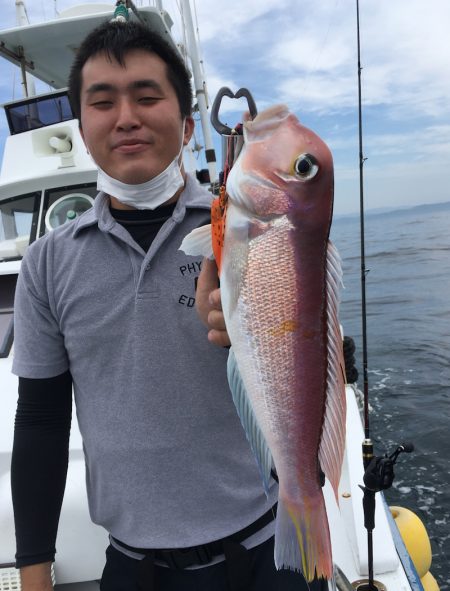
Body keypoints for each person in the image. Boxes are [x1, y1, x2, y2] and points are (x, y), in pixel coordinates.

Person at [11, 20, 327, 591]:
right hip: (135, 568)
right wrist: (34, 566)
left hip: (266, 548)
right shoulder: (47, 262)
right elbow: (40, 420)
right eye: (102, 102)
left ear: (186, 126)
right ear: (83, 130)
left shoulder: (247, 231)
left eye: (147, 96)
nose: (126, 117)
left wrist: (246, 322)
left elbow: (305, 347)